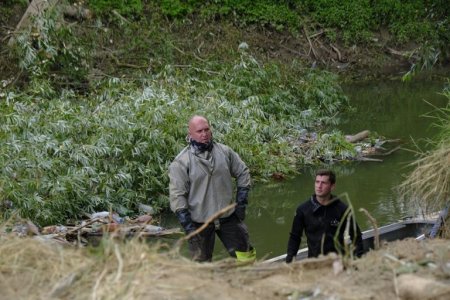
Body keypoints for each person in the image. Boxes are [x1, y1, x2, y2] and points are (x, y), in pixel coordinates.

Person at [169, 115, 255, 262]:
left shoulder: (225, 152)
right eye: (199, 131)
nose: (204, 134)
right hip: (199, 223)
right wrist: (188, 227)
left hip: (228, 217)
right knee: (202, 266)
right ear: (190, 134)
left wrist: (241, 203)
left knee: (246, 255)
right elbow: (177, 195)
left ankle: (251, 281)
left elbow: (243, 172)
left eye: (206, 129)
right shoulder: (181, 162)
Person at [285, 169, 364, 263]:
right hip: (315, 262)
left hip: (338, 261)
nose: (319, 186)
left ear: (332, 186)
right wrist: (289, 262)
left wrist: (357, 259)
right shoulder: (303, 210)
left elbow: (356, 236)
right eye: (317, 182)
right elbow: (295, 238)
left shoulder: (343, 209)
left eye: (323, 183)